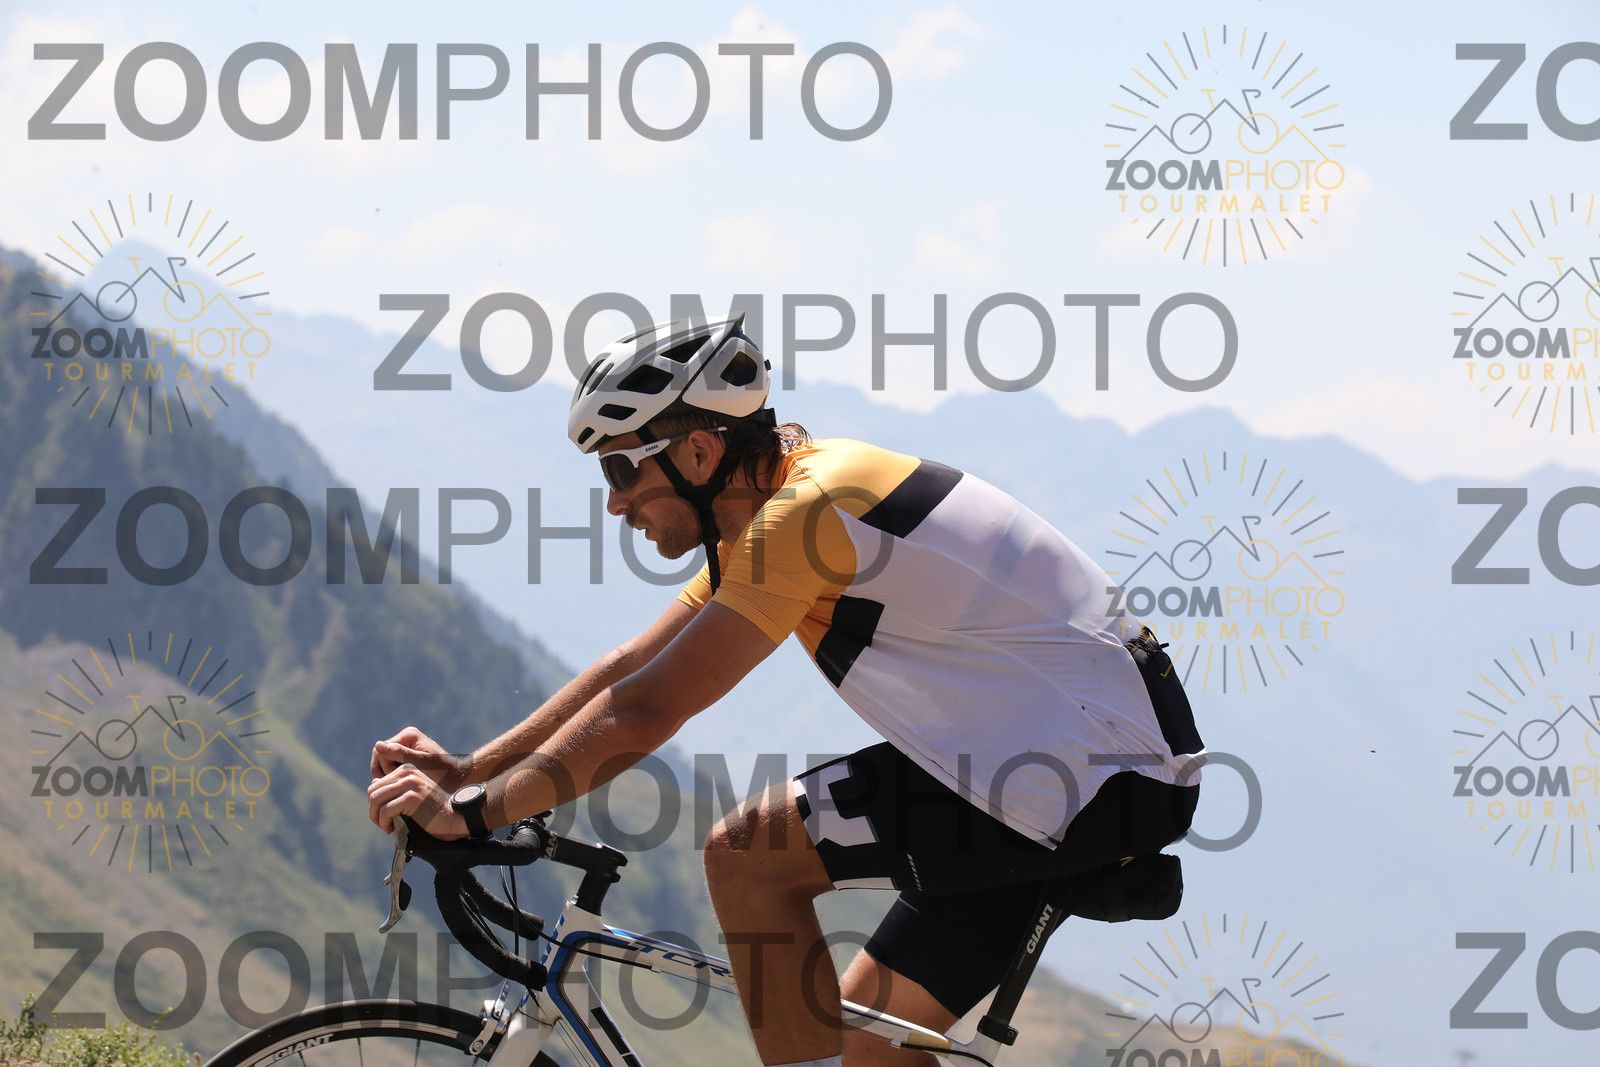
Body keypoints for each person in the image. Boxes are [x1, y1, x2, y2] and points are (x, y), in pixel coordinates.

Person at [368, 316, 1205, 1067]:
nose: (616, 501)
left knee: (749, 855)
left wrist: (475, 814)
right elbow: (630, 668)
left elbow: (648, 711)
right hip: (1059, 767)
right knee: (872, 1046)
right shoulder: (771, 513)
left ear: (699, 454)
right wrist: (470, 768)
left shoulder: (806, 514)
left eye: (621, 467)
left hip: (1084, 772)